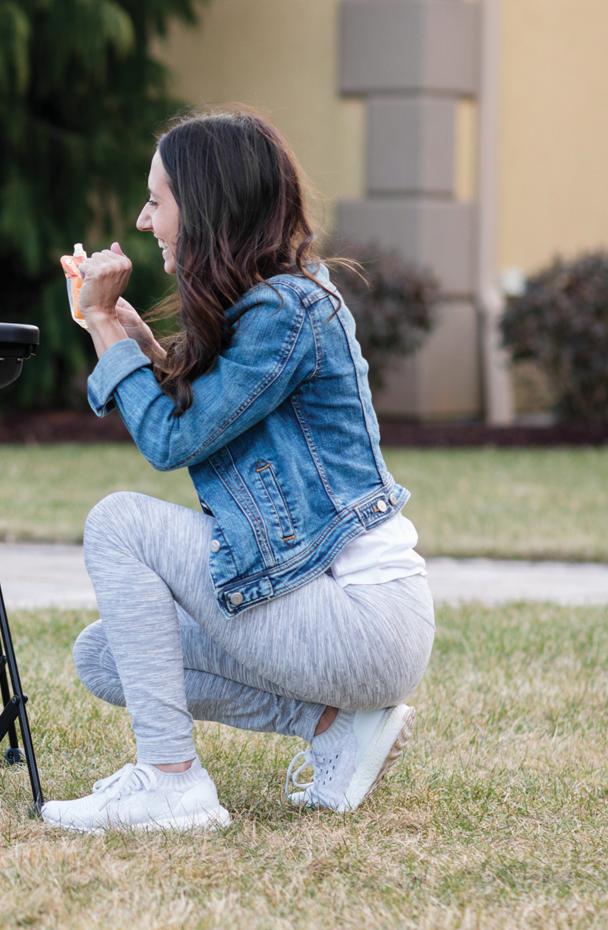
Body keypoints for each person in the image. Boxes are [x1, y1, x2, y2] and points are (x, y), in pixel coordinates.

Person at [41, 109, 434, 834]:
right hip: (330, 615)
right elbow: (219, 425)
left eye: (157, 201)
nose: (143, 218)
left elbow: (170, 440)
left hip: (364, 622)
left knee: (119, 522)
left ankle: (170, 783)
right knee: (106, 656)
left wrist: (101, 330)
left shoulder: (288, 312)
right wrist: (139, 343)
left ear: (207, 205)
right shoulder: (267, 307)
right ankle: (334, 728)